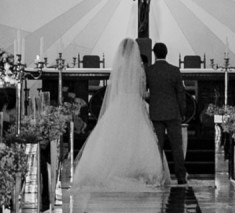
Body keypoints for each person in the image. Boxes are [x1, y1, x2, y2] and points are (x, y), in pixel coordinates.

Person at [71, 39, 170, 191]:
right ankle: (136, 171)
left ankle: (111, 170)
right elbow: (142, 92)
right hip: (134, 104)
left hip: (120, 102)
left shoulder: (120, 68)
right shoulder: (139, 70)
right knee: (137, 136)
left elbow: (114, 90)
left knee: (114, 136)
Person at [145, 41, 190, 186]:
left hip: (156, 113)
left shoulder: (150, 71)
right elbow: (181, 94)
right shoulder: (174, 70)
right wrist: (182, 112)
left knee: (157, 147)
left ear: (154, 54)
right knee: (177, 147)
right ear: (166, 53)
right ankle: (180, 176)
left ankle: (158, 176)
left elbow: (144, 91)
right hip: (172, 113)